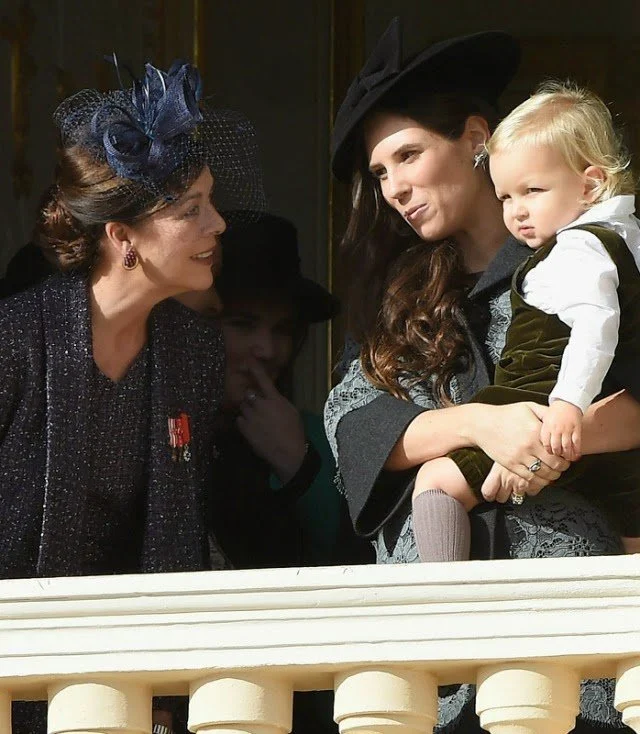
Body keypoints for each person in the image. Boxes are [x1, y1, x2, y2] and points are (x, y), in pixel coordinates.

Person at [324, 17, 640, 733]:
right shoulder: (393, 296)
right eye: (380, 173)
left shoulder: (593, 260)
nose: (395, 187)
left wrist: (554, 438)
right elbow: (353, 428)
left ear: (474, 140)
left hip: (569, 600)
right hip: (428, 638)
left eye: (407, 155)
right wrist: (480, 424)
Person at [0, 59, 264, 734]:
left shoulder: (194, 350)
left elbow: (176, 526)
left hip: (114, 675)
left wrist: (167, 693)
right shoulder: (15, 338)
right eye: (190, 211)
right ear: (123, 238)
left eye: (211, 204)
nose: (218, 226)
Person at [411, 80, 640, 561]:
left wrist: (566, 406)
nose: (516, 213)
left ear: (592, 183)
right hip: (615, 427)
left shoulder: (578, 247)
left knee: (436, 482)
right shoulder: (626, 237)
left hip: (540, 401)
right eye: (505, 197)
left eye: (532, 191)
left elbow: (595, 329)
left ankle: (443, 606)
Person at [178, 213, 371, 570]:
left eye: (282, 330)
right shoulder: (162, 432)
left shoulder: (324, 437)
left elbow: (352, 568)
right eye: (243, 325)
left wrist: (299, 465)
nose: (267, 349)